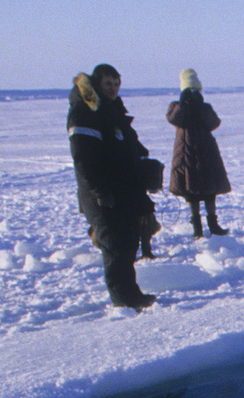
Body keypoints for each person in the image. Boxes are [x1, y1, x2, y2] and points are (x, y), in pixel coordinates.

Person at [67, 64, 158, 309]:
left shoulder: (113, 111)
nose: (113, 88)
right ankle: (123, 300)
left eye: (117, 83)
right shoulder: (84, 113)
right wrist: (99, 191)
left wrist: (146, 167)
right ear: (97, 84)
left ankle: (131, 293)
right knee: (115, 248)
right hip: (103, 196)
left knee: (128, 244)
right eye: (108, 84)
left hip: (124, 192)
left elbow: (131, 149)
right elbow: (83, 159)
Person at [166, 68, 232, 238]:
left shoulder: (205, 107)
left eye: (195, 90)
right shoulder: (175, 106)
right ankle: (197, 227)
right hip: (186, 153)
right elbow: (174, 119)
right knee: (191, 190)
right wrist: (183, 104)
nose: (193, 93)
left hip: (206, 152)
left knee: (210, 190)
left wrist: (201, 107)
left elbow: (214, 123)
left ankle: (213, 224)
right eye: (190, 90)